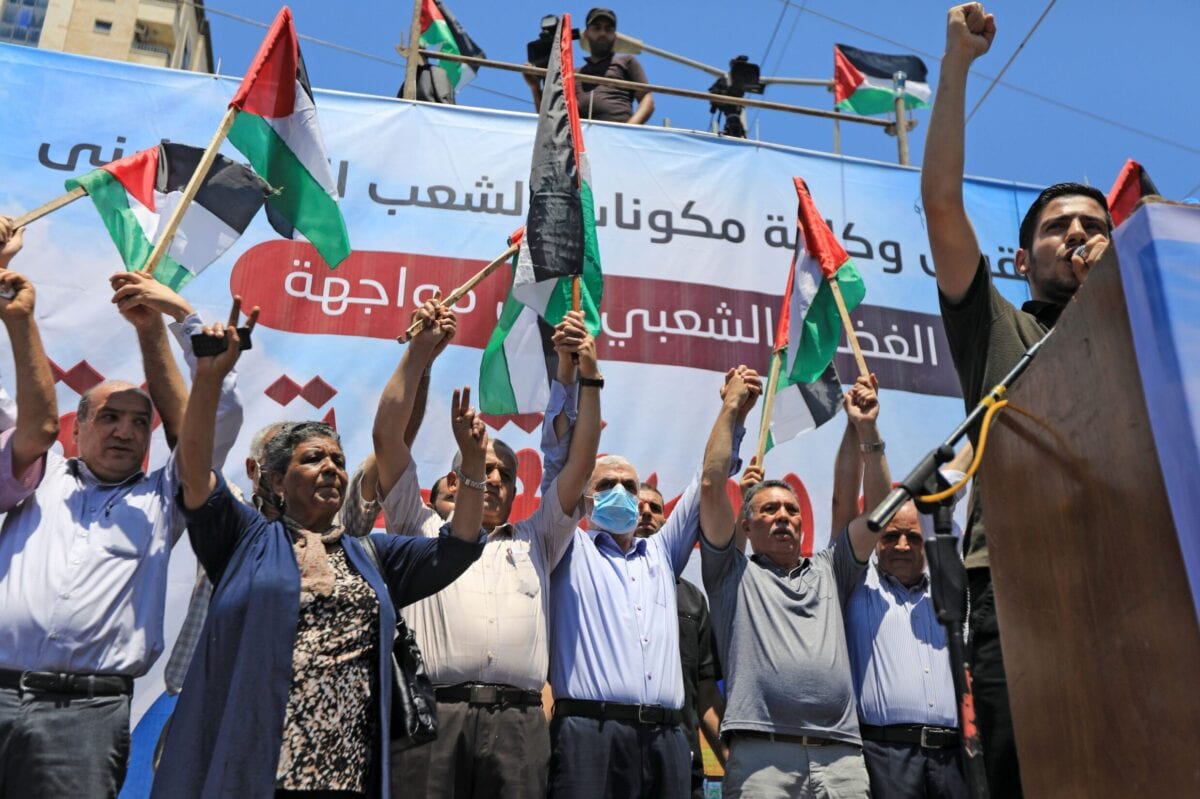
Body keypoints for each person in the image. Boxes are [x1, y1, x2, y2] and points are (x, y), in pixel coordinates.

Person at [152, 301, 488, 797]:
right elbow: (196, 466)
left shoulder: (370, 555)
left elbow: (457, 546)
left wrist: (473, 463)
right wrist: (208, 377)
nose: (332, 467)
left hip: (343, 774)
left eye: (338, 460)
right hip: (253, 767)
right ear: (275, 480)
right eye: (313, 459)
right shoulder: (243, 536)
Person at [920, 5, 1114, 794]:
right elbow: (941, 204)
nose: (1078, 234)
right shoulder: (1000, 329)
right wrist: (957, 64)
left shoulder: (1148, 337)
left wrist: (1118, 297)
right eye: (1058, 227)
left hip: (1135, 579)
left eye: (1095, 225)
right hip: (1020, 583)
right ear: (1023, 258)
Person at [0, 218, 240, 798]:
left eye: (139, 422)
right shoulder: (36, 475)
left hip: (86, 717)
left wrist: (168, 319)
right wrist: (4, 281)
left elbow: (209, 419)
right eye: (108, 417)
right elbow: (19, 411)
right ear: (76, 429)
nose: (125, 431)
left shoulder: (167, 499)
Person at [378, 299, 601, 798]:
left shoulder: (537, 538)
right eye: (483, 467)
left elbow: (580, 465)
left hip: (519, 726)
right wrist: (419, 352)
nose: (494, 478)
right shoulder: (417, 526)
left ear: (517, 490)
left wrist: (589, 376)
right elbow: (388, 437)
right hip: (433, 717)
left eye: (505, 473)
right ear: (454, 481)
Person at [547, 365, 761, 799]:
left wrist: (732, 411)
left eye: (630, 485)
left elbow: (709, 479)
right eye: (608, 484)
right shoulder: (567, 547)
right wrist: (571, 376)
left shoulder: (662, 553)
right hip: (590, 735)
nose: (621, 492)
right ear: (585, 497)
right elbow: (559, 459)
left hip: (666, 739)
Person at [701, 376, 887, 798]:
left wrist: (866, 429)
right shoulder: (732, 575)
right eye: (769, 509)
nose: (783, 516)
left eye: (791, 509)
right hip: (762, 759)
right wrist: (731, 408)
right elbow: (711, 487)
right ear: (746, 524)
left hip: (841, 759)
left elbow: (877, 512)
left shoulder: (830, 569)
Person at [830, 385, 968, 798]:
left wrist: (987, 424)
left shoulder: (948, 591)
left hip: (954, 757)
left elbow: (953, 483)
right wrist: (862, 428)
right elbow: (844, 501)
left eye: (913, 537)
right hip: (884, 756)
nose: (902, 546)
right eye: (890, 537)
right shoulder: (858, 585)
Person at [636, 483, 728, 799]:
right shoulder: (594, 583)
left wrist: (731, 759)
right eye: (638, 506)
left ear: (667, 523)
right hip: (610, 751)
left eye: (655, 508)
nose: (646, 513)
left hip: (677, 753)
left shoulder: (692, 599)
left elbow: (706, 694)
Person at [525, 7, 654, 124]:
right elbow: (549, 118)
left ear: (614, 36)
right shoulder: (573, 74)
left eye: (608, 29)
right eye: (597, 28)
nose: (602, 33)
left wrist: (628, 130)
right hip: (584, 138)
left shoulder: (626, 61)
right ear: (586, 33)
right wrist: (535, 87)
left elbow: (647, 100)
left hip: (619, 136)